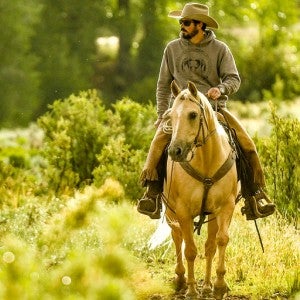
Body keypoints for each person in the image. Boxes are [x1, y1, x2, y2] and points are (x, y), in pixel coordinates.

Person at [137, 2, 275, 220]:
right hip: (181, 111)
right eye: (182, 22)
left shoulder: (220, 49)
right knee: (157, 144)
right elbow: (163, 84)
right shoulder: (172, 48)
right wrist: (162, 113)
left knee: (247, 145)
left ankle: (254, 197)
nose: (182, 25)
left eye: (187, 22)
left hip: (213, 110)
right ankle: (152, 195)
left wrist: (220, 89)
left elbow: (233, 79)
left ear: (200, 25)